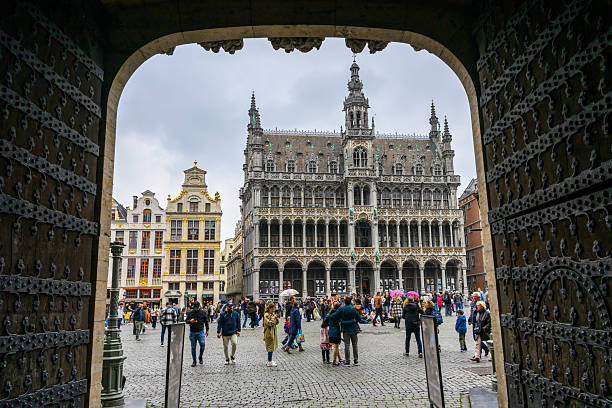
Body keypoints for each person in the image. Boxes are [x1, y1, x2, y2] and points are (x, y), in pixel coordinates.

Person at [337, 296, 360, 366]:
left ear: (344, 302)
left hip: (346, 329)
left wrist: (343, 322)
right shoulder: (354, 309)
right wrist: (353, 321)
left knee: (347, 345)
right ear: (350, 302)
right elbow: (358, 318)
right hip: (353, 329)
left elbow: (338, 317)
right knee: (355, 345)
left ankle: (347, 361)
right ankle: (356, 360)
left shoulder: (341, 309)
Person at [186, 301, 209, 367]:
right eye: (194, 308)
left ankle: (200, 356)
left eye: (197, 308)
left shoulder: (203, 313)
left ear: (199, 307)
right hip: (192, 332)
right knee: (193, 347)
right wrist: (190, 321)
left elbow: (206, 322)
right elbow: (186, 321)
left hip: (200, 331)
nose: (195, 309)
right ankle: (194, 361)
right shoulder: (190, 313)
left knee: (202, 344)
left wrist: (207, 330)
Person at [468, 292, 489, 358]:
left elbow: (482, 312)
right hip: (474, 322)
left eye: (475, 296)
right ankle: (484, 350)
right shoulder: (472, 303)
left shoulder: (481, 303)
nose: (474, 298)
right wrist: (469, 319)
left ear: (479, 297)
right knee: (476, 338)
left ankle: (478, 354)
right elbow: (472, 312)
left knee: (480, 339)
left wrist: (476, 310)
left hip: (480, 323)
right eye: (473, 296)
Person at [263, 302, 279, 367]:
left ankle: (270, 360)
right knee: (270, 347)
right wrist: (274, 318)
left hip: (273, 332)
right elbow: (269, 323)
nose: (273, 310)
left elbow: (276, 323)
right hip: (269, 333)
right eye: (272, 309)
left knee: (272, 347)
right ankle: (269, 361)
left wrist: (276, 318)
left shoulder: (272, 314)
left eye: (274, 309)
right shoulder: (266, 315)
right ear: (269, 308)